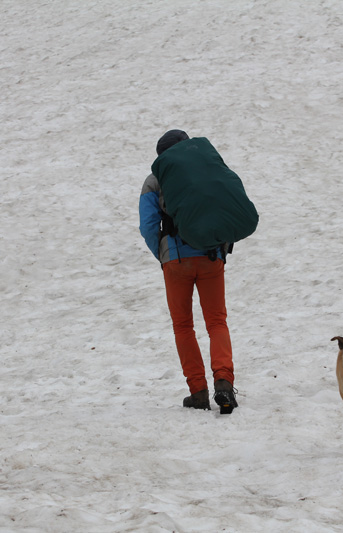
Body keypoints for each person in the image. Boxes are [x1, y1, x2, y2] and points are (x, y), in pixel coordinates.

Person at [139, 129, 238, 413]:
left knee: (184, 326)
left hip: (176, 261)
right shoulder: (209, 170)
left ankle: (198, 392)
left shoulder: (154, 180)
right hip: (211, 256)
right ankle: (224, 383)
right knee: (216, 321)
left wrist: (163, 254)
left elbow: (148, 225)